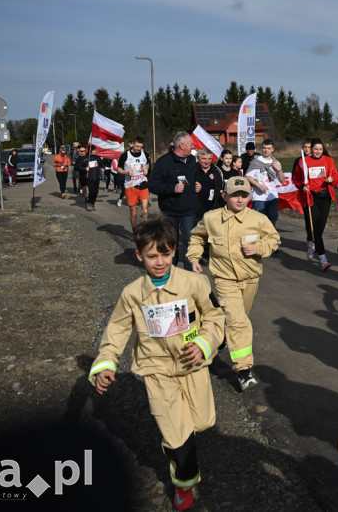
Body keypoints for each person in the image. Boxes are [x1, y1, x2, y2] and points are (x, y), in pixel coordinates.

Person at [88, 218, 225, 510]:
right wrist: (105, 364)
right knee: (177, 434)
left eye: (165, 254)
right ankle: (184, 482)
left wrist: (204, 344)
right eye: (151, 256)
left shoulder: (195, 283)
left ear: (174, 251)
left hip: (192, 365)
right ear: (139, 255)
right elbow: (116, 331)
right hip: (156, 369)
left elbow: (215, 318)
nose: (159, 262)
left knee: (202, 422)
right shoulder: (132, 294)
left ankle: (177, 441)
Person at [187, 177, 280, 391]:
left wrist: (259, 248)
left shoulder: (258, 219)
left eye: (244, 195)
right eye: (235, 195)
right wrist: (193, 258)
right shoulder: (211, 219)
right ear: (224, 196)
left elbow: (274, 239)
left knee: (238, 317)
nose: (240, 199)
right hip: (224, 278)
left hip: (250, 278)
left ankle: (222, 334)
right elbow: (197, 237)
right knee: (238, 321)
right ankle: (243, 370)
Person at [150, 132, 200, 268]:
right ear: (182, 145)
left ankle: (190, 273)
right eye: (190, 144)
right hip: (170, 211)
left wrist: (198, 184)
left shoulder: (192, 160)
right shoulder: (163, 162)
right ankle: (170, 270)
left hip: (189, 210)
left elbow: (195, 177)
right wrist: (172, 188)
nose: (193, 146)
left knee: (190, 241)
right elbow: (153, 186)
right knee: (170, 242)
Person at [292, 137, 338, 272]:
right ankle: (323, 259)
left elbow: (336, 177)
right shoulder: (303, 162)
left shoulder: (329, 161)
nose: (318, 152)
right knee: (316, 231)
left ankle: (312, 242)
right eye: (315, 149)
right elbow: (296, 179)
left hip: (325, 198)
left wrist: (332, 179)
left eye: (320, 149)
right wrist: (302, 187)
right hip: (310, 197)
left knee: (320, 228)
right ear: (310, 150)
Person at [245, 139, 284, 225]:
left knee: (273, 218)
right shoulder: (256, 162)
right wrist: (258, 185)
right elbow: (247, 176)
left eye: (268, 148)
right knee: (260, 221)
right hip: (259, 197)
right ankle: (260, 238)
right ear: (262, 149)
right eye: (264, 148)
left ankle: (271, 237)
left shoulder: (276, 162)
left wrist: (279, 170)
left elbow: (282, 180)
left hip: (272, 195)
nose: (266, 150)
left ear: (272, 149)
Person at [118, 137, 151, 229]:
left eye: (140, 147)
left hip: (143, 184)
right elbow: (119, 169)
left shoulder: (145, 154)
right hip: (131, 186)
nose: (138, 149)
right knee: (134, 213)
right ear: (132, 144)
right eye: (137, 146)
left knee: (145, 211)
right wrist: (127, 172)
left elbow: (147, 164)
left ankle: (143, 231)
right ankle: (135, 230)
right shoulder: (125, 155)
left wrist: (146, 169)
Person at [194, 148, 225, 222]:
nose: (207, 161)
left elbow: (222, 188)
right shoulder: (192, 170)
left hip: (213, 210)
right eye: (204, 159)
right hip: (196, 211)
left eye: (209, 159)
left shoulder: (217, 171)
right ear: (198, 158)